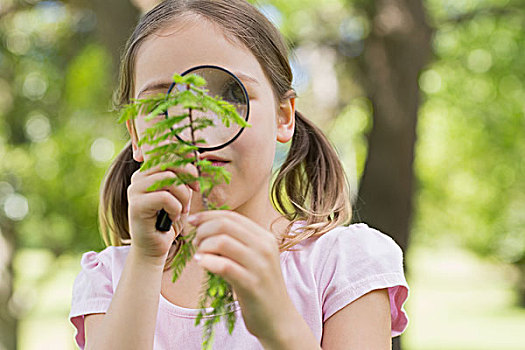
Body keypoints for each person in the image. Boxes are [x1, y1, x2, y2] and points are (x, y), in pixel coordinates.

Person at [69, 0, 409, 349]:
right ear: (137, 136)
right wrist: (145, 259)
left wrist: (279, 324)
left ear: (283, 117)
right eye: (164, 105)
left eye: (232, 95)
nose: (199, 129)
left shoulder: (342, 265)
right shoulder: (111, 279)